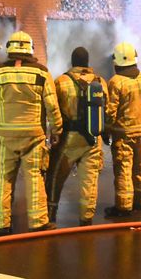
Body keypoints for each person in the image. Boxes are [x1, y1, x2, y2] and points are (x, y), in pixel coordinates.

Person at [0, 30, 62, 234]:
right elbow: (52, 104)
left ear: (9, 50)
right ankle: (38, 222)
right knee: (34, 177)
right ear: (30, 50)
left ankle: (0, 223)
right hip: (33, 135)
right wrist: (56, 129)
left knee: (5, 178)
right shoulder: (42, 73)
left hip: (5, 136)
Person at [45, 47, 108, 226]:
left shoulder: (62, 81)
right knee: (89, 180)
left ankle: (51, 215)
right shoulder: (100, 82)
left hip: (69, 139)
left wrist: (54, 132)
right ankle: (86, 218)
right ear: (87, 62)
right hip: (94, 138)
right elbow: (107, 110)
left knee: (56, 176)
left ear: (72, 62)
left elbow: (53, 109)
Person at [103, 42, 141, 218]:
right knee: (140, 168)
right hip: (140, 134)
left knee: (124, 169)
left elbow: (110, 111)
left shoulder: (116, 82)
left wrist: (106, 130)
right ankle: (140, 202)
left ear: (117, 61)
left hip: (123, 135)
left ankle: (123, 207)